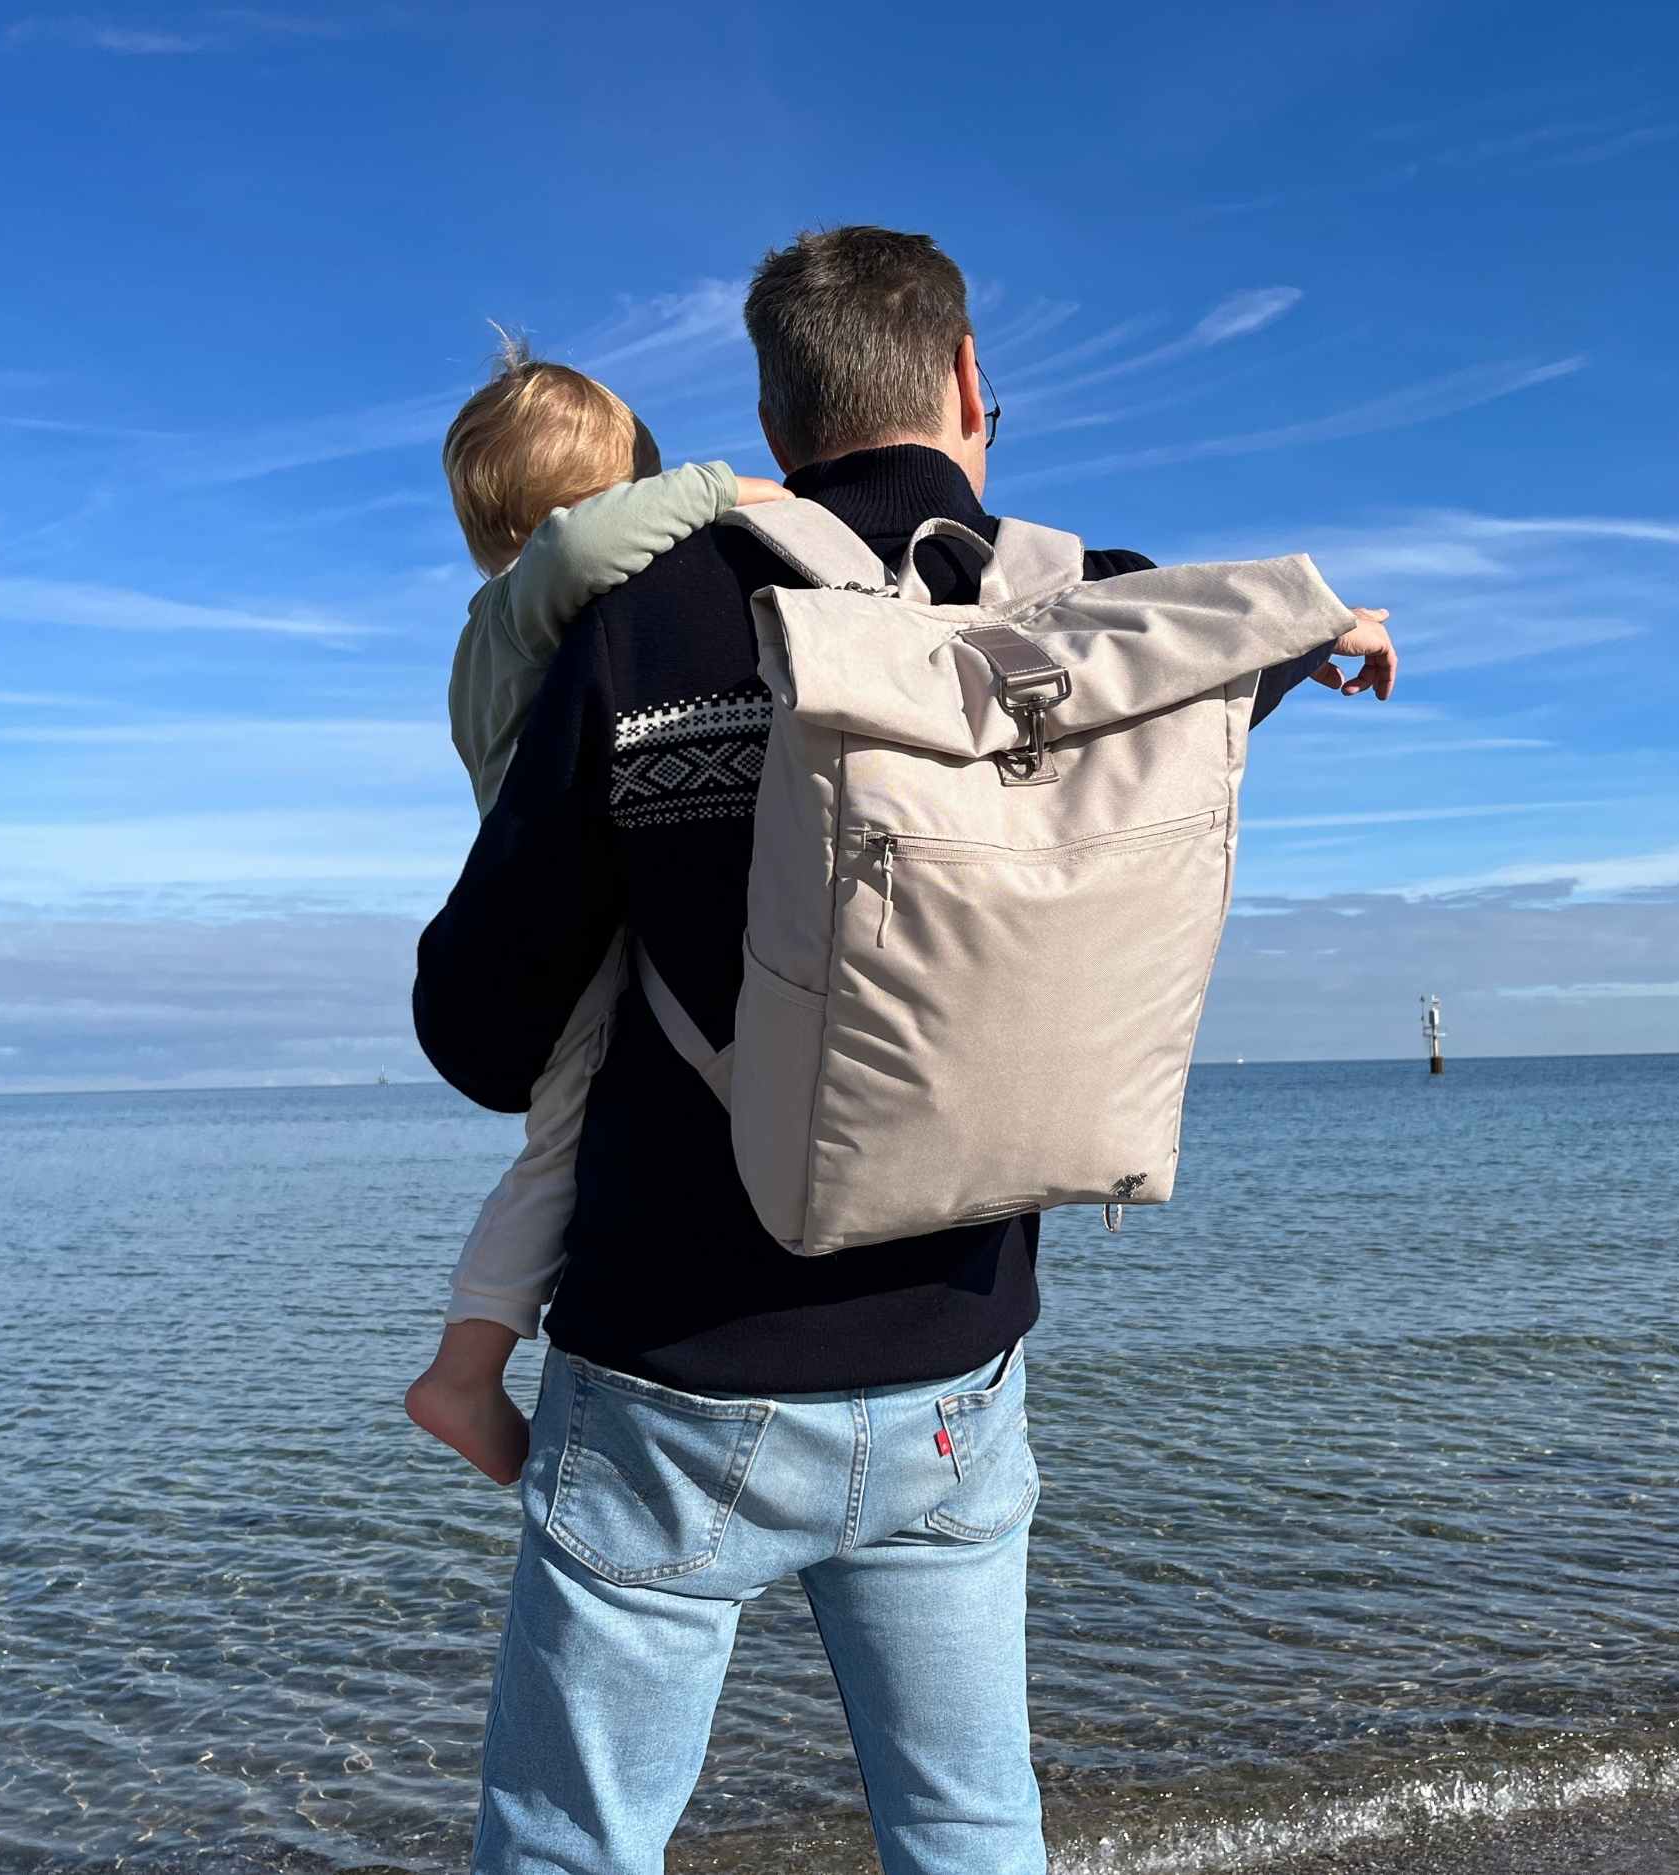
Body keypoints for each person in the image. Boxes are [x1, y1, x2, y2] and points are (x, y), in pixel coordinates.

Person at [413, 225, 1397, 1875]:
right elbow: (1224, 663)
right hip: (956, 1366)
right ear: (963, 382)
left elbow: (482, 1033)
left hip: (670, 1374)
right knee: (965, 1831)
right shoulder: (1093, 619)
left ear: (773, 418)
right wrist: (1317, 631)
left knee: (572, 1844)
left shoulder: (638, 628)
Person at [404, 334, 788, 1486]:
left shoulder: (491, 632)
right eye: (642, 491)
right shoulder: (531, 605)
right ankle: (464, 1374)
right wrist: (723, 489)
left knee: (570, 1137)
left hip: (551, 906)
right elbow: (585, 541)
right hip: (565, 929)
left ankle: (473, 1365)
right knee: (563, 1146)